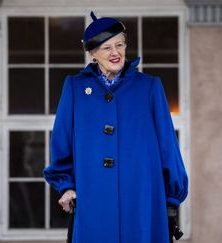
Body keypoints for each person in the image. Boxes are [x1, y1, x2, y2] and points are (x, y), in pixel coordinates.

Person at [44, 11, 188, 243]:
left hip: (143, 198)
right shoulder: (74, 88)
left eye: (119, 45)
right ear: (92, 53)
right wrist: (66, 185)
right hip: (93, 199)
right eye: (106, 47)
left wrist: (171, 199)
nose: (115, 53)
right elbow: (62, 142)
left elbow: (167, 146)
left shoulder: (149, 87)